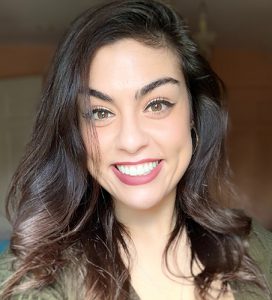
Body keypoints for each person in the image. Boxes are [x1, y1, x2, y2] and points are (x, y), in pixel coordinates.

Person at [0, 0, 271, 299]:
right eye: (100, 112)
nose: (130, 141)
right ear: (74, 130)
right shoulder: (33, 281)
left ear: (193, 113)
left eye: (157, 104)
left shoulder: (254, 247)